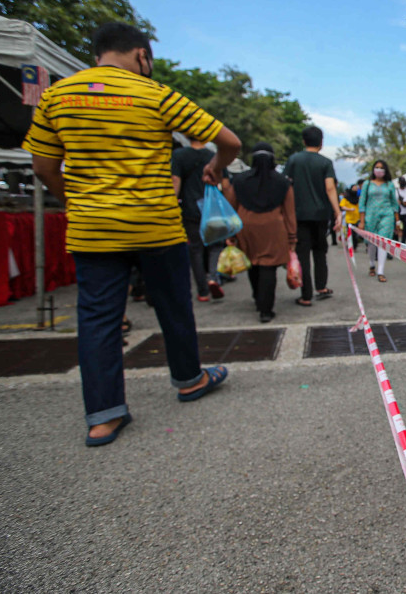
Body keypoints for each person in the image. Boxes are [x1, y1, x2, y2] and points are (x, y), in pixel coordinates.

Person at [24, 22, 240, 447]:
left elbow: (43, 167)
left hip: (92, 228)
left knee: (99, 318)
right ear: (143, 55)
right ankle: (189, 379)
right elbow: (228, 140)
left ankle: (103, 417)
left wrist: (77, 199)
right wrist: (215, 167)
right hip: (155, 223)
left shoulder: (57, 96)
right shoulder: (155, 94)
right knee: (174, 306)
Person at [223, 143, 297, 323]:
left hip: (245, 227)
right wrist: (292, 236)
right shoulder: (283, 182)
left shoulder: (239, 181)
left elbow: (230, 207)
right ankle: (266, 309)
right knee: (268, 267)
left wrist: (230, 234)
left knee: (253, 262)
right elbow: (289, 212)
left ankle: (257, 297)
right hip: (273, 228)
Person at [283, 126, 342, 307]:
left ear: (303, 141)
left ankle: (306, 295)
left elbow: (286, 186)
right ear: (321, 142)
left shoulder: (293, 160)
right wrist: (338, 212)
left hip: (298, 214)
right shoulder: (325, 163)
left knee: (302, 254)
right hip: (321, 214)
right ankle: (321, 286)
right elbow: (330, 188)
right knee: (319, 251)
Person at [171, 134, 225, 301]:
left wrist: (171, 207)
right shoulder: (213, 157)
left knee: (195, 249)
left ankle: (202, 291)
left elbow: (175, 182)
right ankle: (213, 278)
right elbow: (225, 184)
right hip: (212, 209)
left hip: (191, 208)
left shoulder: (179, 155)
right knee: (216, 246)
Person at [358, 160, 400, 282]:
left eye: (382, 168)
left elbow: (394, 203)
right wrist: (361, 221)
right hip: (370, 216)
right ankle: (372, 264)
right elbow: (362, 202)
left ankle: (380, 271)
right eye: (377, 167)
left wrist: (397, 221)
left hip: (387, 215)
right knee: (371, 243)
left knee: (383, 242)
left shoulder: (389, 185)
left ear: (385, 170)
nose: (379, 170)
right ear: (373, 169)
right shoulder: (367, 184)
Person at [339, 185, 362, 251]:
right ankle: (351, 246)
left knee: (356, 234)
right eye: (354, 188)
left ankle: (354, 246)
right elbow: (342, 206)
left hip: (358, 219)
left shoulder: (358, 198)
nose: (355, 190)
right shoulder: (345, 199)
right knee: (351, 234)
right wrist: (349, 209)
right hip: (349, 219)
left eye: (356, 188)